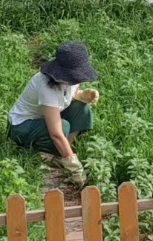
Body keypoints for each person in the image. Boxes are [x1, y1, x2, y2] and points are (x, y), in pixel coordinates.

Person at [7, 41, 98, 188]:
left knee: (83, 110)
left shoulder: (72, 79)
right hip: (22, 126)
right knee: (62, 127)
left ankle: (61, 154)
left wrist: (81, 95)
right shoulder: (47, 87)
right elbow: (55, 133)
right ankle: (46, 153)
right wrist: (75, 168)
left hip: (45, 117)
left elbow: (69, 95)